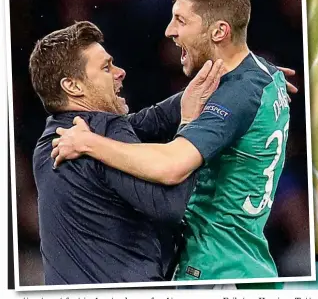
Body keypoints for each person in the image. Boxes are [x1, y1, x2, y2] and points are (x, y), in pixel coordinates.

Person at [52, 0, 291, 282]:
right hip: (240, 261)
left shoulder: (238, 93)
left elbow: (172, 166)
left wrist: (88, 143)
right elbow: (154, 118)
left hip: (215, 271)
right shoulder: (262, 74)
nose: (169, 31)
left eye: (181, 20)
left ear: (219, 31)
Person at [29, 20, 223, 284]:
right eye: (106, 67)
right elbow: (169, 205)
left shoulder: (49, 142)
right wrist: (190, 124)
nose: (120, 72)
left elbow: (150, 120)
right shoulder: (104, 129)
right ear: (73, 86)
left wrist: (237, 80)